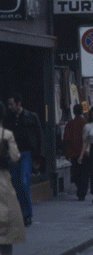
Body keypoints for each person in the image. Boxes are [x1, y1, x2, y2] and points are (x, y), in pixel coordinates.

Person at [5, 94, 43, 226]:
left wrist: (38, 157)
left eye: (11, 104)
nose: (9, 107)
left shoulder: (31, 116)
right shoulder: (9, 119)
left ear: (18, 104)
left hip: (27, 153)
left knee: (23, 181)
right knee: (16, 183)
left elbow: (39, 136)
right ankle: (21, 213)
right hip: (14, 154)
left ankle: (27, 214)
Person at [0, 103, 25, 255]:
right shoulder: (6, 134)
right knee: (7, 214)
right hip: (2, 177)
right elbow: (15, 157)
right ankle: (6, 254)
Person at [62, 104, 88, 201]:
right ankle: (82, 192)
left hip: (73, 152)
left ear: (73, 112)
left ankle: (80, 189)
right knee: (84, 173)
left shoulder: (70, 124)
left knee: (76, 173)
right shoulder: (86, 122)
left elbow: (66, 139)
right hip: (84, 152)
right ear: (82, 111)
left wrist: (66, 152)